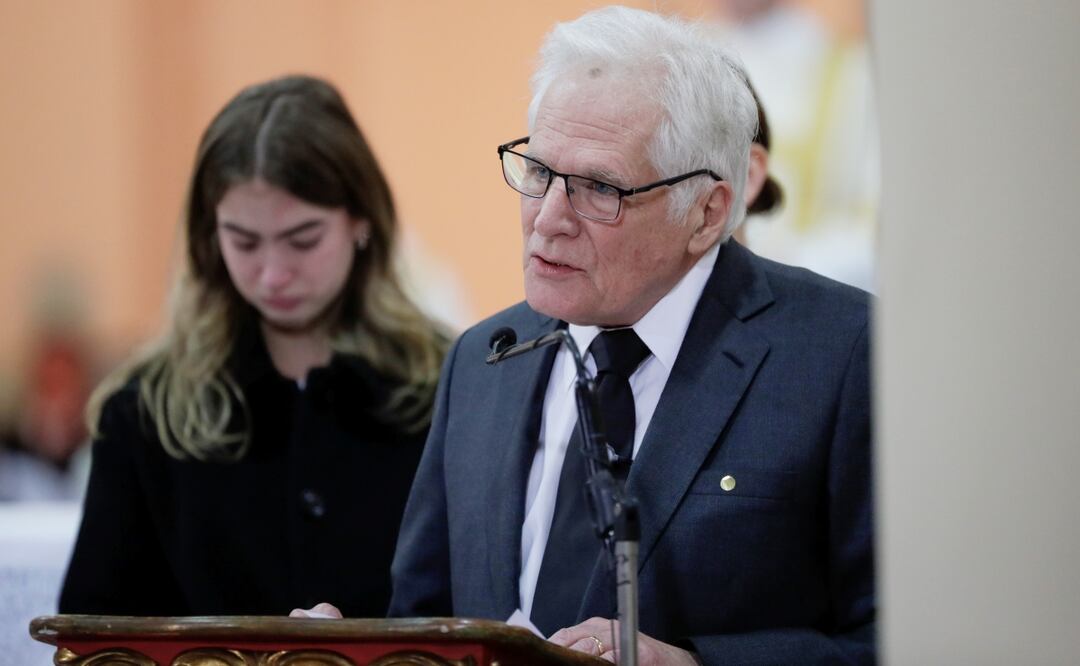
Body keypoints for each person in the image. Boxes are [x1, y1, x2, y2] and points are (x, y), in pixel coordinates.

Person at [385, 7, 873, 664]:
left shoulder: (840, 355)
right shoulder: (483, 357)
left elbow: (901, 638)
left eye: (599, 188)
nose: (548, 220)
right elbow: (421, 621)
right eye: (538, 173)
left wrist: (696, 664)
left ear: (707, 212)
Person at [59, 74, 448, 617]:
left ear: (362, 221)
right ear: (209, 238)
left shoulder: (449, 388)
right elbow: (96, 638)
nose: (272, 275)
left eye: (302, 239)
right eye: (244, 241)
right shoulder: (145, 410)